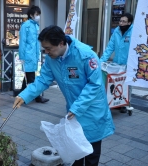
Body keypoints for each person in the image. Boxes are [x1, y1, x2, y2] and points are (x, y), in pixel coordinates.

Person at [13, 25, 115, 166]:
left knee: (91, 153)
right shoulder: (52, 58)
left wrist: (76, 108)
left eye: (49, 48)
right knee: (75, 152)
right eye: (44, 49)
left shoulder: (86, 55)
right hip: (74, 110)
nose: (47, 52)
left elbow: (95, 85)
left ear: (61, 43)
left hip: (92, 111)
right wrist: (25, 95)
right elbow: (43, 79)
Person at [100, 13, 134, 113]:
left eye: (124, 21)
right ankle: (117, 103)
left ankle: (125, 104)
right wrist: (101, 61)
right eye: (120, 21)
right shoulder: (117, 31)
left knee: (127, 84)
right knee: (117, 82)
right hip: (117, 62)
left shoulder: (134, 32)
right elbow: (110, 47)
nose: (121, 23)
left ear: (129, 22)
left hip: (128, 64)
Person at [19, 5, 49, 103]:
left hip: (34, 55)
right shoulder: (25, 26)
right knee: (31, 77)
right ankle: (37, 97)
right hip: (28, 56)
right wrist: (22, 56)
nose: (38, 16)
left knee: (29, 76)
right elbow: (22, 42)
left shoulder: (36, 26)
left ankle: (21, 96)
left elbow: (36, 43)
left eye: (39, 14)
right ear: (31, 15)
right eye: (37, 14)